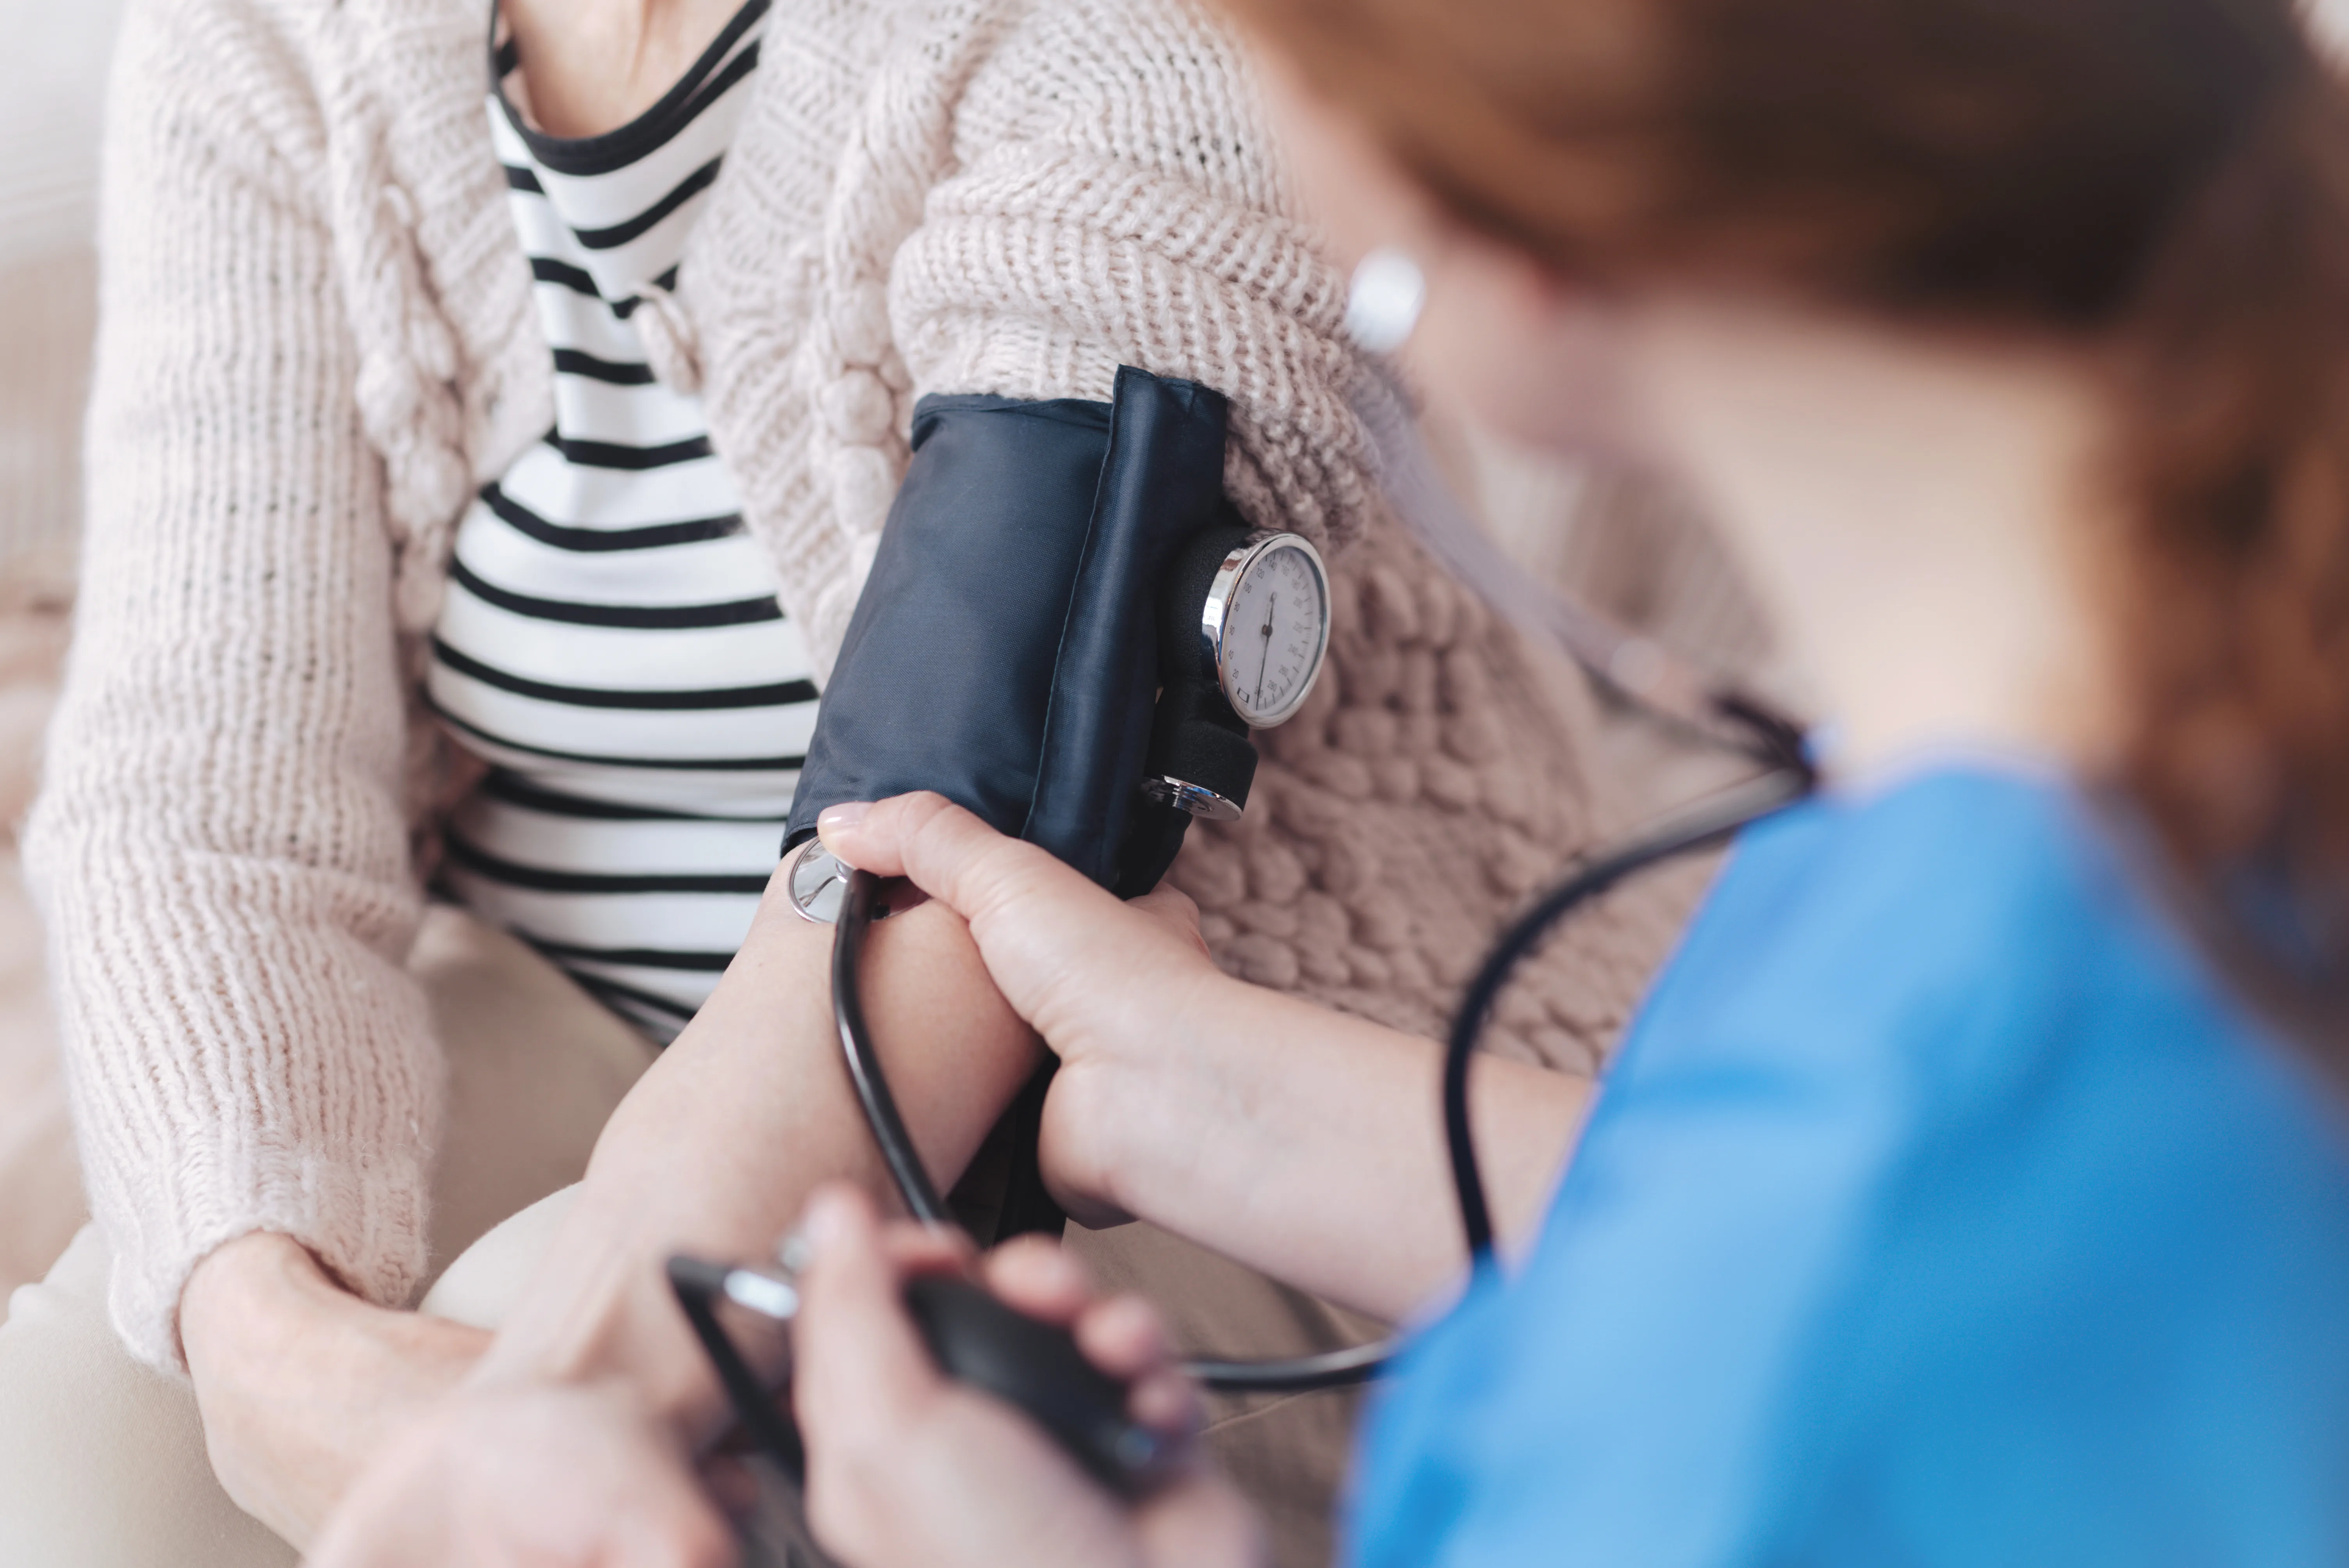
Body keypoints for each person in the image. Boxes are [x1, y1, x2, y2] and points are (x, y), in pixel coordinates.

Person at [318, 0, 2349, 1559]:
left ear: (1502, 230)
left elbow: (1854, 1302)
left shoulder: (1770, 1338)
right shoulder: (2037, 913)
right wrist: (1230, 1089)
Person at [0, 0, 1707, 1559]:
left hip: (1144, 1086)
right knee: (89, 1423)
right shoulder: (271, 39)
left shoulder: (1151, 43)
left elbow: (966, 808)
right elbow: (197, 785)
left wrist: (571, 1377)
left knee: (615, 1391)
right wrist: (268, 1346)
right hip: (570, 1005)